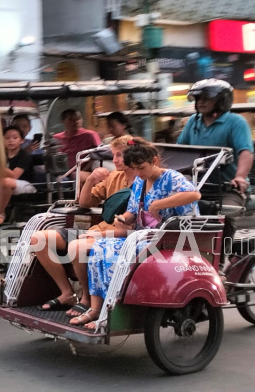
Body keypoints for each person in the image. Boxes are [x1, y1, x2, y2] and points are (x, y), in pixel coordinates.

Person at [70, 140, 201, 329]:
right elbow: (132, 212)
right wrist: (123, 218)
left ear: (154, 160)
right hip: (143, 235)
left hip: (169, 238)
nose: (139, 173)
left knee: (115, 255)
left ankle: (111, 310)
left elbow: (194, 195)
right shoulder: (140, 181)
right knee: (99, 248)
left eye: (142, 168)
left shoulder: (172, 177)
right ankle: (96, 308)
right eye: (135, 169)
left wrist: (158, 204)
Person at [30, 135, 136, 312]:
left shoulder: (145, 181)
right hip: (97, 229)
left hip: (118, 235)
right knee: (39, 239)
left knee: (77, 247)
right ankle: (67, 293)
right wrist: (91, 180)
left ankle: (86, 297)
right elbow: (85, 203)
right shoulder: (114, 177)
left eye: (119, 155)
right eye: (114, 155)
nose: (115, 160)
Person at [177, 79, 253, 210]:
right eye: (198, 98)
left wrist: (240, 177)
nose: (201, 101)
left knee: (224, 214)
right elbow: (179, 151)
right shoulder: (192, 122)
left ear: (221, 101)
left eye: (206, 98)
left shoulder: (236, 122)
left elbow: (246, 152)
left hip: (228, 188)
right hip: (197, 185)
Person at [53, 109, 101, 179]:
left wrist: (81, 171)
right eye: (71, 120)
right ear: (63, 121)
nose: (76, 122)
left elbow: (97, 156)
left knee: (74, 176)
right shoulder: (56, 138)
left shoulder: (90, 135)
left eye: (78, 118)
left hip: (85, 171)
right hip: (62, 172)